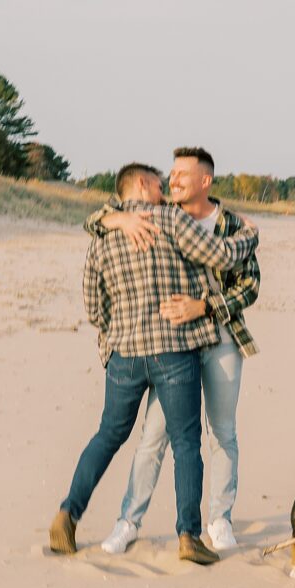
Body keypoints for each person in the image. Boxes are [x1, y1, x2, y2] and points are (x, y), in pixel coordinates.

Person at [49, 162, 259, 565]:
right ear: (143, 184)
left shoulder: (103, 237)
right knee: (185, 443)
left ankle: (68, 514)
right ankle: (188, 536)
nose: (165, 190)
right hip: (173, 350)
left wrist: (117, 335)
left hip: (124, 355)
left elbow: (94, 306)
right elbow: (220, 253)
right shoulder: (172, 221)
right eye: (160, 184)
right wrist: (250, 234)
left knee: (108, 435)